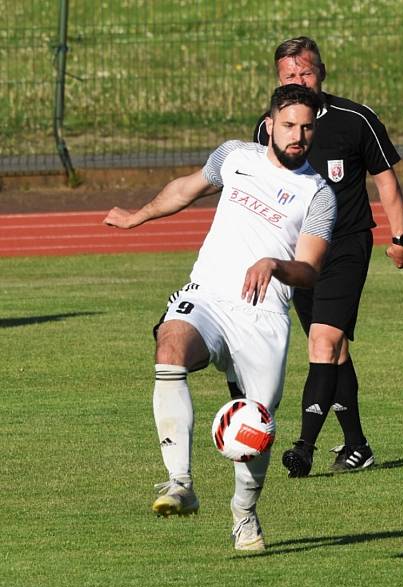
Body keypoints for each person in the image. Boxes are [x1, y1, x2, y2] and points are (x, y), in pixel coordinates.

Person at [103, 84, 337, 549]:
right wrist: (139, 216)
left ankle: (243, 514)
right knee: (170, 346)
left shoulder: (319, 194)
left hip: (263, 314)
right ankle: (180, 483)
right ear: (270, 124)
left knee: (257, 426)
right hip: (208, 293)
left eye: (307, 128)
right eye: (289, 126)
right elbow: (187, 189)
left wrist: (274, 265)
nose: (299, 136)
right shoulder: (234, 156)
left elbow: (309, 270)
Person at [249, 36, 403, 477]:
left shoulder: (355, 119)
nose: (299, 81)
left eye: (306, 72)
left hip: (345, 247)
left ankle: (303, 446)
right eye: (290, 75)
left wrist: (400, 238)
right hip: (297, 253)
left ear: (322, 71)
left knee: (322, 343)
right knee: (332, 351)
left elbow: (386, 182)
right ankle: (357, 445)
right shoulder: (271, 126)